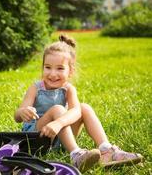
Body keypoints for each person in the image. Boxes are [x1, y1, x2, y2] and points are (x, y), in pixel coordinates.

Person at [14, 34, 143, 172]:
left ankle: (106, 150)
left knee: (84, 108)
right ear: (42, 68)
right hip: (37, 138)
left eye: (60, 68)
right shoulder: (36, 87)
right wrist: (23, 112)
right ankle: (76, 156)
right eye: (48, 67)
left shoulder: (69, 89)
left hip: (61, 137)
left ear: (71, 71)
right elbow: (17, 116)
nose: (52, 73)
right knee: (58, 109)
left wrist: (58, 123)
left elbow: (76, 111)